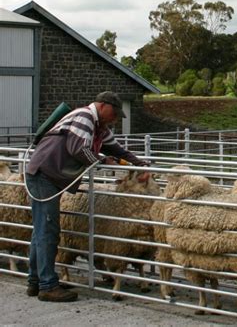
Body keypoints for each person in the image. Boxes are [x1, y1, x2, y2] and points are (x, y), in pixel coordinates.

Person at [25, 91, 149, 302]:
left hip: (50, 177)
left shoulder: (100, 128)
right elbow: (78, 149)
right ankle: (47, 285)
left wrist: (140, 164)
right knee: (48, 231)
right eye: (114, 112)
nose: (116, 118)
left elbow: (117, 150)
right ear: (102, 106)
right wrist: (102, 161)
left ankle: (36, 281)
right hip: (43, 176)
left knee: (42, 231)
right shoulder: (84, 117)